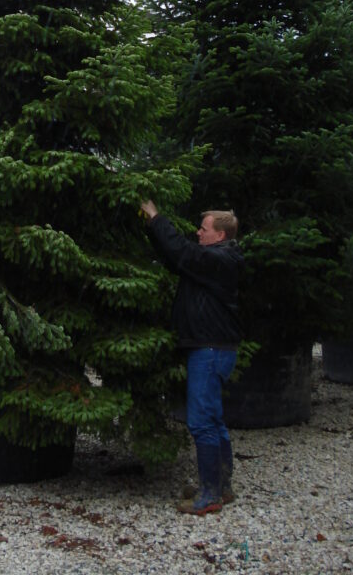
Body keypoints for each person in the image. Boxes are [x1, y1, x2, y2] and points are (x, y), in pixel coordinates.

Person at [140, 201, 244, 515]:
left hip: (210, 351)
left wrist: (158, 217)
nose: (198, 232)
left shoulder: (220, 259)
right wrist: (151, 229)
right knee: (213, 417)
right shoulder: (214, 260)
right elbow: (178, 260)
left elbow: (184, 253)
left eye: (204, 229)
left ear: (220, 234)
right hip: (213, 349)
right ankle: (221, 486)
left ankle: (210, 493)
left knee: (201, 421)